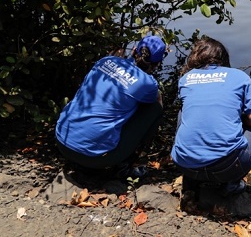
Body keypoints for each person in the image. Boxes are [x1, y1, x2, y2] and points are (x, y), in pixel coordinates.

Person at [171, 37, 251, 196]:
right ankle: (231, 184)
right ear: (223, 58)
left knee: (184, 112)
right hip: (226, 169)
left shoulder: (186, 79)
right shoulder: (238, 76)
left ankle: (191, 182)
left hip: (186, 165)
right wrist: (241, 119)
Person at [55, 35, 167, 179]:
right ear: (158, 64)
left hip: (62, 142)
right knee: (155, 107)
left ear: (134, 50)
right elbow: (149, 100)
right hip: (95, 158)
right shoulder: (148, 84)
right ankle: (126, 166)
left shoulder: (106, 60)